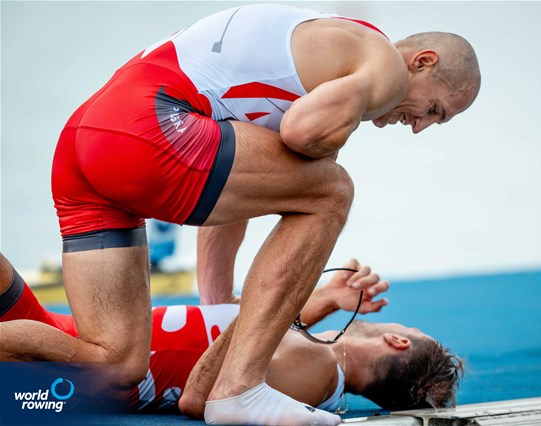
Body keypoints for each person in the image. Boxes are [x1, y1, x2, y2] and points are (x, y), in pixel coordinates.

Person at [0, 4, 480, 425]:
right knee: (333, 191)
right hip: (147, 125)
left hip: (84, 139)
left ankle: (234, 379)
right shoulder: (385, 69)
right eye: (435, 109)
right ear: (422, 62)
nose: (420, 127)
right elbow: (300, 135)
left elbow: (247, 180)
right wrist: (328, 156)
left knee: (116, 362)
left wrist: (219, 300)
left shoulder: (325, 54)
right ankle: (238, 390)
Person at [0, 253, 462, 416]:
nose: (402, 325)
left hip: (70, 364)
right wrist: (321, 300)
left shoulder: (315, 372)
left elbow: (202, 397)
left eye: (408, 328)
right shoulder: (319, 362)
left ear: (398, 342)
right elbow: (264, 335)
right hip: (67, 336)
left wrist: (265, 299)